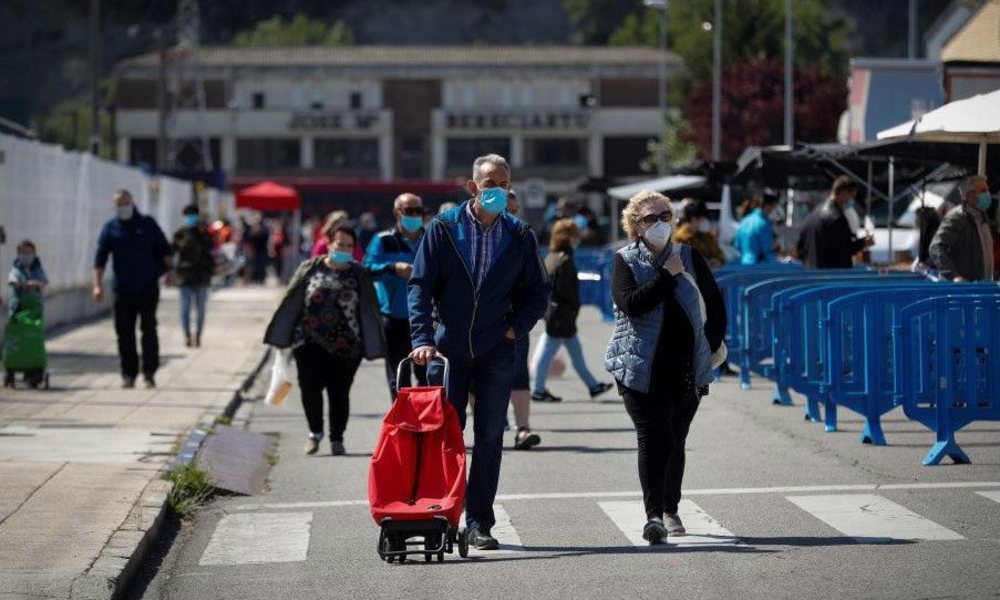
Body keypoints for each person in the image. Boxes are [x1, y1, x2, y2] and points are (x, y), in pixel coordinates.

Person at [408, 154, 550, 550]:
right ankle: (442, 514)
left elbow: (538, 291)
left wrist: (514, 329)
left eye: (504, 184)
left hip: (496, 351)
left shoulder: (520, 235)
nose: (497, 191)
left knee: (489, 437)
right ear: (473, 187)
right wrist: (422, 339)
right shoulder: (443, 228)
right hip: (448, 351)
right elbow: (420, 285)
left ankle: (478, 522)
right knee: (445, 437)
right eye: (490, 184)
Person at [605, 190, 726, 545]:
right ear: (635, 226)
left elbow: (716, 308)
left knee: (675, 438)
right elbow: (630, 304)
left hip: (687, 367)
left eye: (664, 216)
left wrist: (710, 344)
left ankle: (671, 506)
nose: (659, 224)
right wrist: (667, 276)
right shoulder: (625, 260)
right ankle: (654, 515)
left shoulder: (690, 255)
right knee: (653, 437)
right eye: (649, 219)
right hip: (640, 368)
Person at [263, 225, 386, 456]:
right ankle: (314, 432)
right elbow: (291, 300)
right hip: (308, 341)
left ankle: (337, 437)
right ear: (329, 244)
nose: (345, 249)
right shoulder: (309, 268)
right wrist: (283, 335)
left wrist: (372, 341)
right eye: (340, 244)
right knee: (310, 388)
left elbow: (369, 310)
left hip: (348, 346)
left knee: (340, 392)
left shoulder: (358, 274)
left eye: (349, 246)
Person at [93, 190, 173, 389]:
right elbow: (100, 259)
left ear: (132, 202)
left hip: (147, 287)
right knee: (124, 333)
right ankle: (128, 374)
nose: (123, 207)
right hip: (122, 290)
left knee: (149, 330)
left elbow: (165, 251)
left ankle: (149, 373)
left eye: (125, 203)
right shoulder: (110, 228)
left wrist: (168, 273)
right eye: (119, 204)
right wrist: (97, 285)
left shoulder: (147, 224)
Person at [530, 217, 613, 403]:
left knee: (574, 352)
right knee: (550, 351)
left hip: (556, 312)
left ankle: (593, 385)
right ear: (569, 237)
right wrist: (573, 308)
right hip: (562, 314)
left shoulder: (553, 256)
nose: (578, 238)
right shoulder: (565, 259)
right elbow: (566, 289)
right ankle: (538, 389)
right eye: (575, 235)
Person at [364, 192, 428, 398]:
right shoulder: (383, 240)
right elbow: (367, 270)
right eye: (409, 211)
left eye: (419, 211)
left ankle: (426, 425)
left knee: (427, 376)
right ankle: (403, 424)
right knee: (399, 376)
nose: (415, 215)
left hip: (424, 318)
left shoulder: (430, 239)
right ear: (397, 213)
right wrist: (393, 268)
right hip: (393, 317)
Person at [797, 176, 875, 269]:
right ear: (844, 193)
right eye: (851, 197)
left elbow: (801, 248)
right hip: (832, 275)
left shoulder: (814, 214)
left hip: (812, 274)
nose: (850, 202)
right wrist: (862, 243)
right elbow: (844, 249)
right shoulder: (836, 218)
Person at [929, 175, 995, 281]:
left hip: (981, 287)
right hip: (961, 290)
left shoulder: (983, 218)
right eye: (983, 191)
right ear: (969, 195)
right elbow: (936, 248)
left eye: (987, 190)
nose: (988, 194)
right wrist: (954, 276)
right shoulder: (956, 218)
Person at [172, 204, 215, 348]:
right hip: (185, 276)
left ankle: (198, 335)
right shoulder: (180, 233)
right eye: (188, 216)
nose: (190, 219)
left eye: (193, 215)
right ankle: (187, 335)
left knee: (201, 309)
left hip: (202, 276)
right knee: (185, 309)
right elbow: (174, 251)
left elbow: (211, 249)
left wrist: (203, 233)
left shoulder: (204, 232)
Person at [672, 199, 725, 269]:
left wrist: (718, 260)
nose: (706, 222)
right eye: (703, 219)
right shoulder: (680, 238)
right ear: (694, 219)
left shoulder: (707, 235)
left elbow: (720, 254)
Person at [733, 193, 779, 265]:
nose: (773, 209)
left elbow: (737, 244)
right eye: (774, 206)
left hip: (743, 264)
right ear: (768, 205)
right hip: (758, 267)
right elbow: (767, 250)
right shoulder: (764, 223)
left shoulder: (745, 221)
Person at [7, 240, 48, 318]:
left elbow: (44, 282)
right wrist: (26, 284)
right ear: (18, 255)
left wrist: (37, 283)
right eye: (23, 252)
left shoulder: (38, 270)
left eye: (29, 252)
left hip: (35, 311)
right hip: (18, 312)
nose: (26, 255)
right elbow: (12, 281)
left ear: (34, 254)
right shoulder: (16, 270)